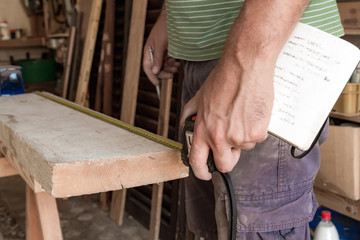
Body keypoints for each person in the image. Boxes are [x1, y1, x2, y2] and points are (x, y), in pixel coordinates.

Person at [143, 1, 344, 239]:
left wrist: (244, 65)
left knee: (254, 228)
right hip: (207, 57)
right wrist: (171, 18)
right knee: (211, 226)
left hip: (264, 52)